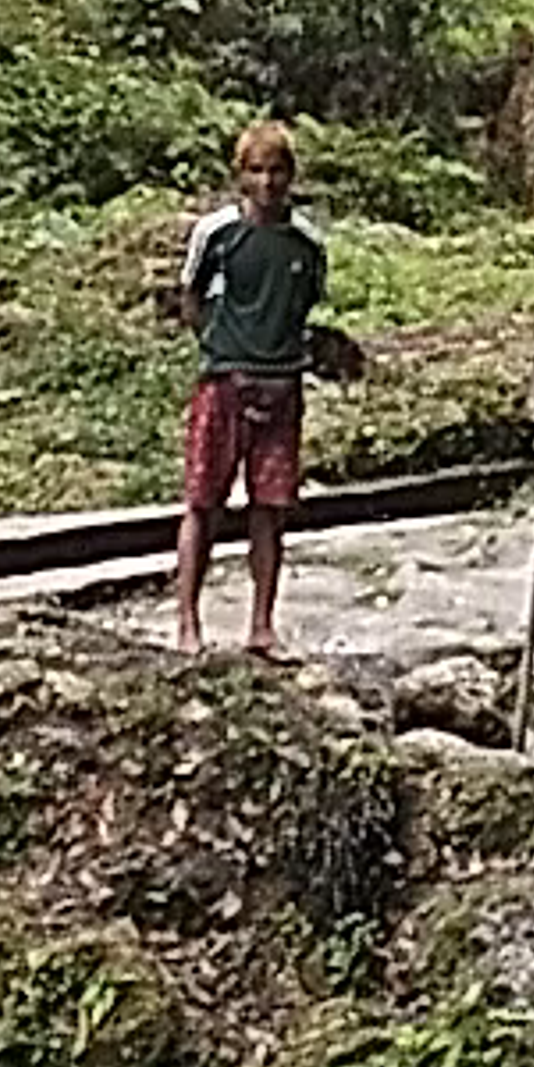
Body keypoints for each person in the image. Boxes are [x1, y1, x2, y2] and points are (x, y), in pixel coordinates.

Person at [168, 118, 347, 663]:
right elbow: (191, 298)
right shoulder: (216, 234)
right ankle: (187, 623)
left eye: (276, 171)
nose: (267, 183)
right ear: (240, 176)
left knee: (270, 508)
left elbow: (307, 305)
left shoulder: (306, 243)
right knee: (204, 502)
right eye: (256, 171)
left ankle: (262, 626)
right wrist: (221, 346)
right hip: (225, 383)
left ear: (291, 177)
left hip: (282, 386)